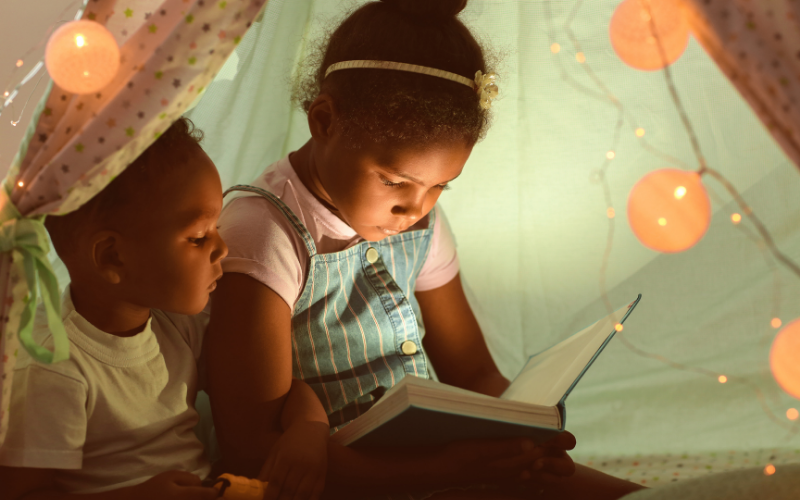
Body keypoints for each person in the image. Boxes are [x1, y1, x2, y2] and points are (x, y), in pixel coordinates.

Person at [206, 1, 646, 499]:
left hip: (437, 465)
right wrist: (445, 472)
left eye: (441, 186)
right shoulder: (265, 234)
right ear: (324, 121)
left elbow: (474, 372)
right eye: (395, 180)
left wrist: (525, 431)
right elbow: (251, 445)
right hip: (341, 482)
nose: (415, 209)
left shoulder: (416, 218)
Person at [0, 117, 328, 500]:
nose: (222, 249)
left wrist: (310, 428)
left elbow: (272, 389)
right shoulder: (52, 367)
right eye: (198, 237)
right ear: (113, 257)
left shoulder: (178, 327)